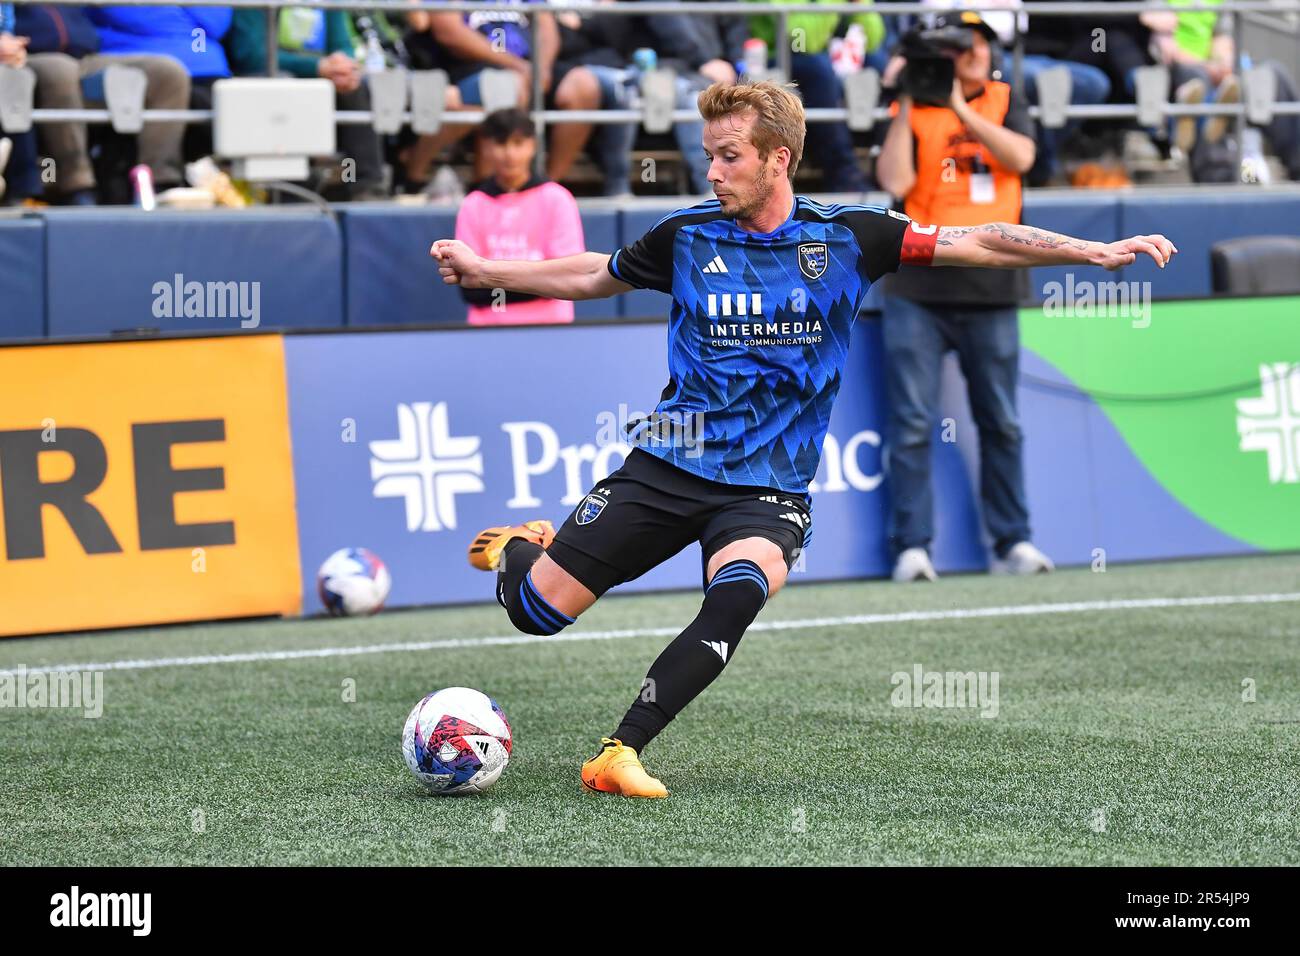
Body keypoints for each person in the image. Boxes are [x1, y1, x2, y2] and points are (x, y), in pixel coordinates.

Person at [430, 80, 1175, 798]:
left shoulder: (850, 237)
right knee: (537, 613)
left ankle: (620, 751)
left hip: (768, 487)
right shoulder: (686, 236)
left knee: (741, 590)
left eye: (730, 156)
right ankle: (517, 546)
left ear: (777, 158)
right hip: (668, 463)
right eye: (709, 155)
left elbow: (980, 241)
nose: (713, 171)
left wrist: (1092, 252)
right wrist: (487, 267)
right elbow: (596, 274)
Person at [876, 11, 1052, 582]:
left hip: (994, 281)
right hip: (918, 283)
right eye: (962, 45)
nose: (972, 54)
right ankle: (913, 547)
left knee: (1001, 420)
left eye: (978, 45)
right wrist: (907, 101)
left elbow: (1022, 159)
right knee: (911, 422)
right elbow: (894, 182)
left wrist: (959, 107)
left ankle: (1014, 542)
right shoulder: (912, 106)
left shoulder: (1004, 97)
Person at [17, 4, 191, 203]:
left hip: (84, 58)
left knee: (167, 72)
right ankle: (78, 187)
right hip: (26, 56)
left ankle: (159, 183)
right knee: (60, 70)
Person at [225, 8, 388, 200]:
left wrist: (342, 65)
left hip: (325, 78)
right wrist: (317, 67)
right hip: (271, 77)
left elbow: (342, 45)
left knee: (355, 87)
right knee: (287, 86)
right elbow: (251, 56)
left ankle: (361, 187)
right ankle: (290, 193)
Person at [454, 109, 584, 325]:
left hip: (550, 327)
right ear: (485, 147)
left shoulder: (557, 199)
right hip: (488, 331)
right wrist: (540, 281)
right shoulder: (473, 205)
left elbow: (568, 276)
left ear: (532, 145)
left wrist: (490, 279)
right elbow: (469, 287)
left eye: (518, 143)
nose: (510, 154)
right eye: (501, 143)